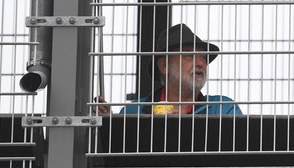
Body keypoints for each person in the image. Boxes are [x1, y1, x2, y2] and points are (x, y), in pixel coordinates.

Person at [97, 23, 241, 115]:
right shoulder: (133, 111)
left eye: (203, 57)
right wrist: (110, 126)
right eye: (189, 55)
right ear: (164, 66)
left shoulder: (223, 109)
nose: (200, 63)